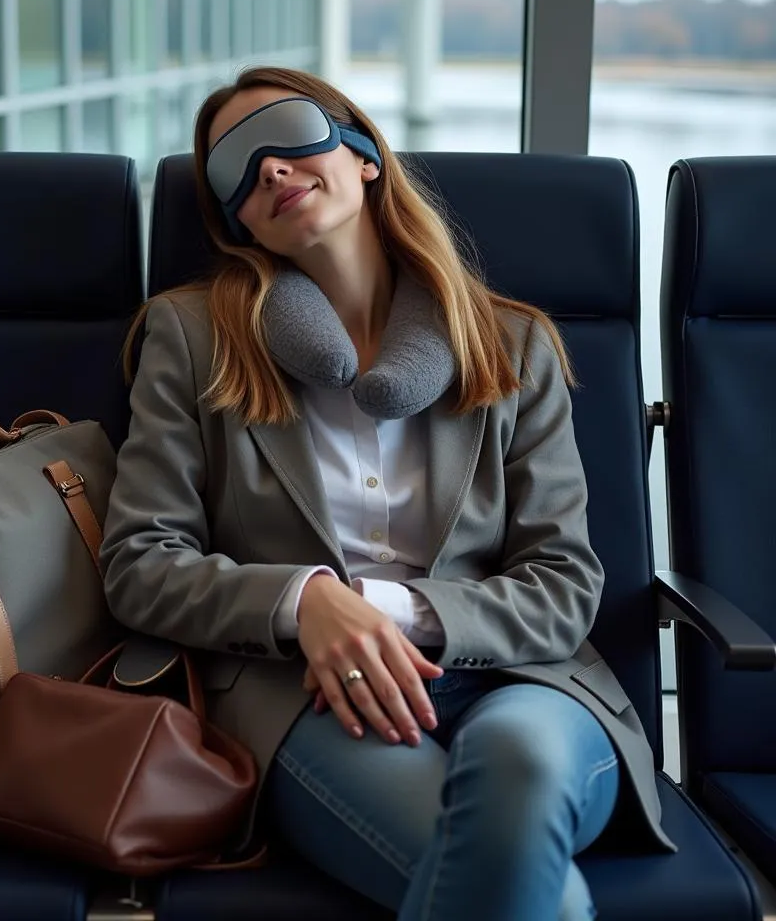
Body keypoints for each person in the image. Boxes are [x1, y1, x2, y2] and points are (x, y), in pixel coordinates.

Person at [99, 65, 674, 921]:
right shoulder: (190, 338)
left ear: (363, 154)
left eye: (288, 137)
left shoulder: (516, 347)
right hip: (306, 698)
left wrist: (385, 609)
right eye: (237, 172)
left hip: (524, 684)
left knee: (519, 768)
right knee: (538, 900)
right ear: (238, 223)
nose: (268, 171)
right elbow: (139, 563)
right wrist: (307, 603)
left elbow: (564, 587)